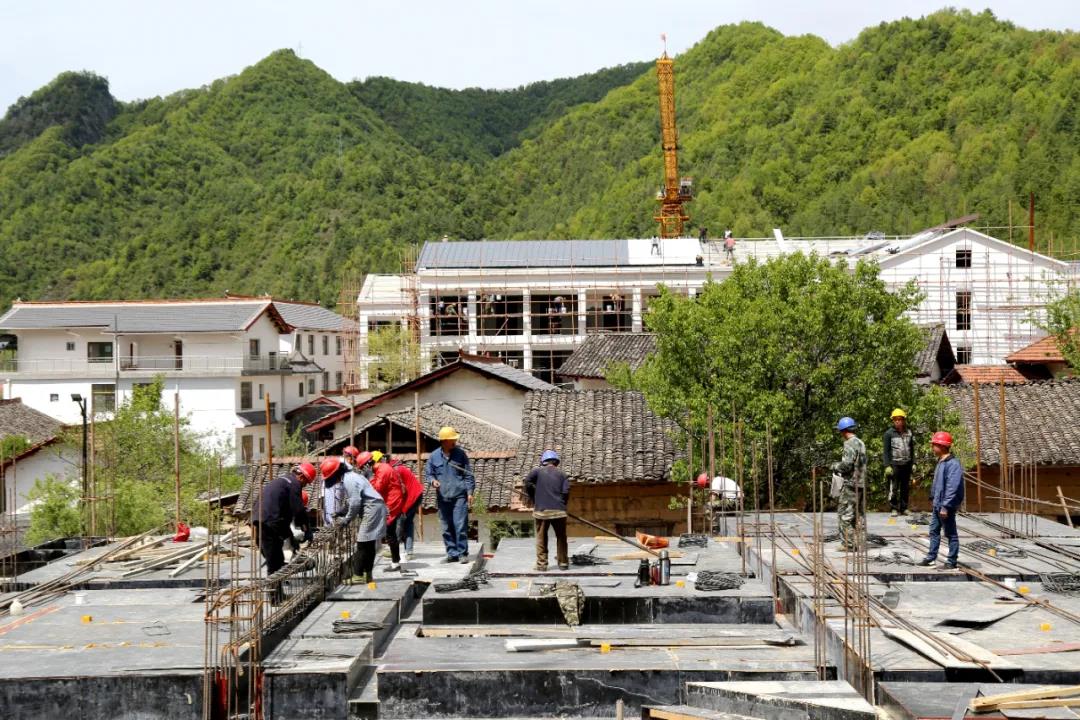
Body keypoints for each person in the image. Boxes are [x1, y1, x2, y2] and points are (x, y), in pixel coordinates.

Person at [322, 456, 387, 584]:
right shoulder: (352, 476)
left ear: (335, 473)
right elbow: (354, 500)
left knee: (362, 543)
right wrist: (341, 512)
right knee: (369, 543)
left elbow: (356, 503)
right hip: (375, 506)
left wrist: (346, 520)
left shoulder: (349, 480)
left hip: (372, 508)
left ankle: (357, 575)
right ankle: (367, 574)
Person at [254, 462, 315, 576]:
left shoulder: (283, 482)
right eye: (306, 483)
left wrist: (292, 541)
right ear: (301, 477)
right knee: (275, 562)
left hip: (262, 519)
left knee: (274, 558)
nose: (304, 486)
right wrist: (307, 530)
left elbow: (285, 521)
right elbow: (299, 510)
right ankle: (274, 593)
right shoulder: (294, 484)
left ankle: (277, 585)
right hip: (270, 522)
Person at [425, 426, 475, 564]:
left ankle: (462, 553)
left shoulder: (460, 454)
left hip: (459, 496)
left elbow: (468, 475)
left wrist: (470, 492)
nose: (455, 442)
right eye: (453, 439)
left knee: (460, 526)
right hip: (443, 497)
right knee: (446, 527)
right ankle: (452, 553)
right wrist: (433, 481)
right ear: (445, 441)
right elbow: (429, 474)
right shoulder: (434, 456)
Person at [919, 432, 963, 570]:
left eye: (935, 445)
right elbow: (936, 484)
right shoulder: (941, 462)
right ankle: (931, 557)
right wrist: (933, 498)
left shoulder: (953, 464)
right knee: (934, 531)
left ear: (942, 446)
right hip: (938, 504)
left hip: (946, 506)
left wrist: (946, 506)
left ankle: (952, 561)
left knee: (950, 533)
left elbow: (952, 487)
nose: (932, 447)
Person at [525, 450, 571, 571]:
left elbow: (527, 482)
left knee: (541, 538)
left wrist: (534, 496)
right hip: (559, 511)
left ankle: (542, 565)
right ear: (556, 462)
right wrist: (562, 505)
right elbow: (566, 492)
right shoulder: (563, 474)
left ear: (543, 462)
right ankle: (563, 563)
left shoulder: (537, 472)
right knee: (561, 537)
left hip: (542, 511)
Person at [831, 416, 867, 551]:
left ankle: (849, 544)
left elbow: (847, 465)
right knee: (858, 515)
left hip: (851, 483)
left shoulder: (849, 443)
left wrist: (834, 466)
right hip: (861, 483)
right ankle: (859, 542)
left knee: (844, 515)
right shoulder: (861, 443)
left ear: (843, 431)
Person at [371, 453, 405, 571]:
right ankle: (396, 561)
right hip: (392, 501)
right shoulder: (383, 468)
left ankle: (396, 563)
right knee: (391, 533)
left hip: (392, 503)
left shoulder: (383, 470)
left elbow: (377, 488)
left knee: (390, 533)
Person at [391, 454, 424, 560]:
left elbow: (401, 490)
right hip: (417, 495)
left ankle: (394, 547)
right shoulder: (400, 468)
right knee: (408, 523)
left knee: (401, 522)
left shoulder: (395, 471)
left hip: (412, 498)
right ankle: (408, 551)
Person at [883, 408, 915, 517]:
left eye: (899, 419)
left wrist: (914, 463)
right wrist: (887, 465)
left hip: (906, 464)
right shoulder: (888, 434)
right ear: (893, 421)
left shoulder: (909, 432)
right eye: (895, 419)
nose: (897, 421)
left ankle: (904, 508)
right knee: (894, 488)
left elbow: (912, 449)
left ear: (903, 420)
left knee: (905, 487)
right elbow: (886, 451)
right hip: (894, 465)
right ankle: (894, 508)